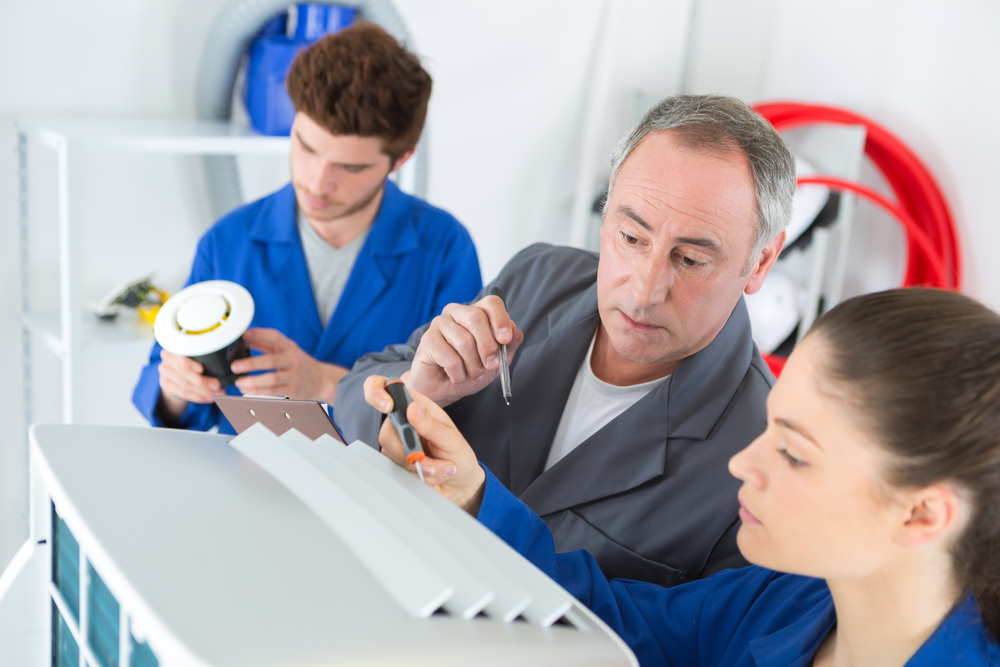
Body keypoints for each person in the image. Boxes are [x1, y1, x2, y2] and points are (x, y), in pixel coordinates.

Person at [367, 288, 1000, 666]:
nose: (742, 463)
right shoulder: (787, 603)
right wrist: (473, 495)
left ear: (921, 515)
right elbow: (606, 616)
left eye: (796, 454)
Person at [336, 94, 794, 586]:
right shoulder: (538, 277)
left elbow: (692, 642)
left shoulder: (764, 457)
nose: (643, 291)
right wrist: (417, 393)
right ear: (607, 209)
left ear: (761, 262)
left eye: (690, 260)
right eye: (632, 238)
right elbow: (349, 401)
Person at [133, 23, 482, 433]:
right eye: (306, 146)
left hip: (381, 487)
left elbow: (464, 414)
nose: (317, 183)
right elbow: (169, 409)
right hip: (247, 479)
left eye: (350, 167)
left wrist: (326, 384)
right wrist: (178, 388)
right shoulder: (227, 242)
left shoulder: (444, 249)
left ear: (401, 159)